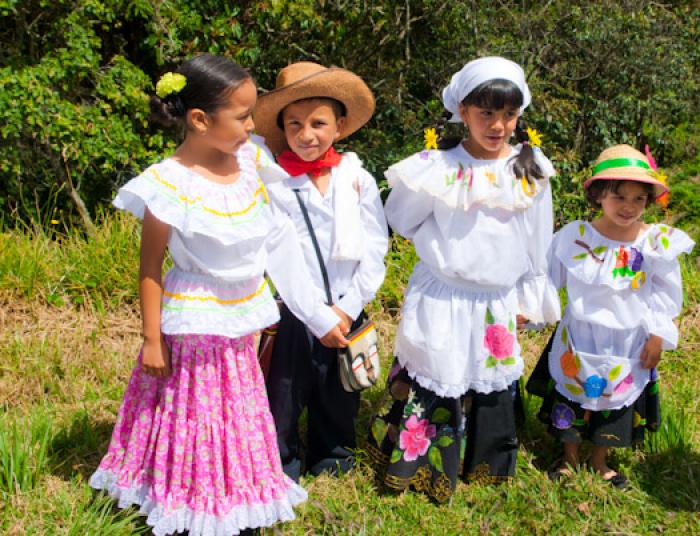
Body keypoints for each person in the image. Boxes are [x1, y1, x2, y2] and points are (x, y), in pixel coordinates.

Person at [89, 54, 348, 535]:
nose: (254, 125)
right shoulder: (169, 183)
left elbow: (278, 244)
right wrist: (151, 339)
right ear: (200, 120)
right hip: (194, 325)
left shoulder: (252, 161)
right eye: (244, 116)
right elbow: (150, 268)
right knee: (195, 414)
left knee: (238, 412)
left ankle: (233, 493)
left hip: (238, 326)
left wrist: (316, 314)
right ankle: (192, 500)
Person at [367, 56, 560, 503]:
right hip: (444, 293)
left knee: (488, 374)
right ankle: (421, 466)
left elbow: (538, 239)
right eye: (486, 113)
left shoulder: (529, 168)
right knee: (440, 368)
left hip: (496, 297)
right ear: (464, 111)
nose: (498, 125)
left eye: (508, 114)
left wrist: (530, 295)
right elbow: (403, 219)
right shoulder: (437, 167)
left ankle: (485, 462)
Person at [527, 144, 694, 488]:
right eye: (619, 197)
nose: (628, 207)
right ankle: (569, 457)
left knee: (615, 400)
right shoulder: (576, 237)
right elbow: (547, 278)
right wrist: (528, 310)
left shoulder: (655, 243)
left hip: (628, 341)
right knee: (572, 396)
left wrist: (657, 336)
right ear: (599, 195)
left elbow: (666, 293)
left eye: (638, 199)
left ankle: (600, 460)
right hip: (579, 336)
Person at [251, 62, 388, 480]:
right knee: (285, 391)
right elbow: (278, 256)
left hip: (347, 306)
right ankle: (282, 463)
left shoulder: (357, 177)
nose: (306, 134)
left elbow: (376, 244)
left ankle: (334, 457)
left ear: (340, 125)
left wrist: (348, 306)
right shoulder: (274, 182)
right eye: (294, 124)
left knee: (339, 390)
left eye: (317, 123)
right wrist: (315, 313)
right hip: (294, 310)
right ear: (281, 128)